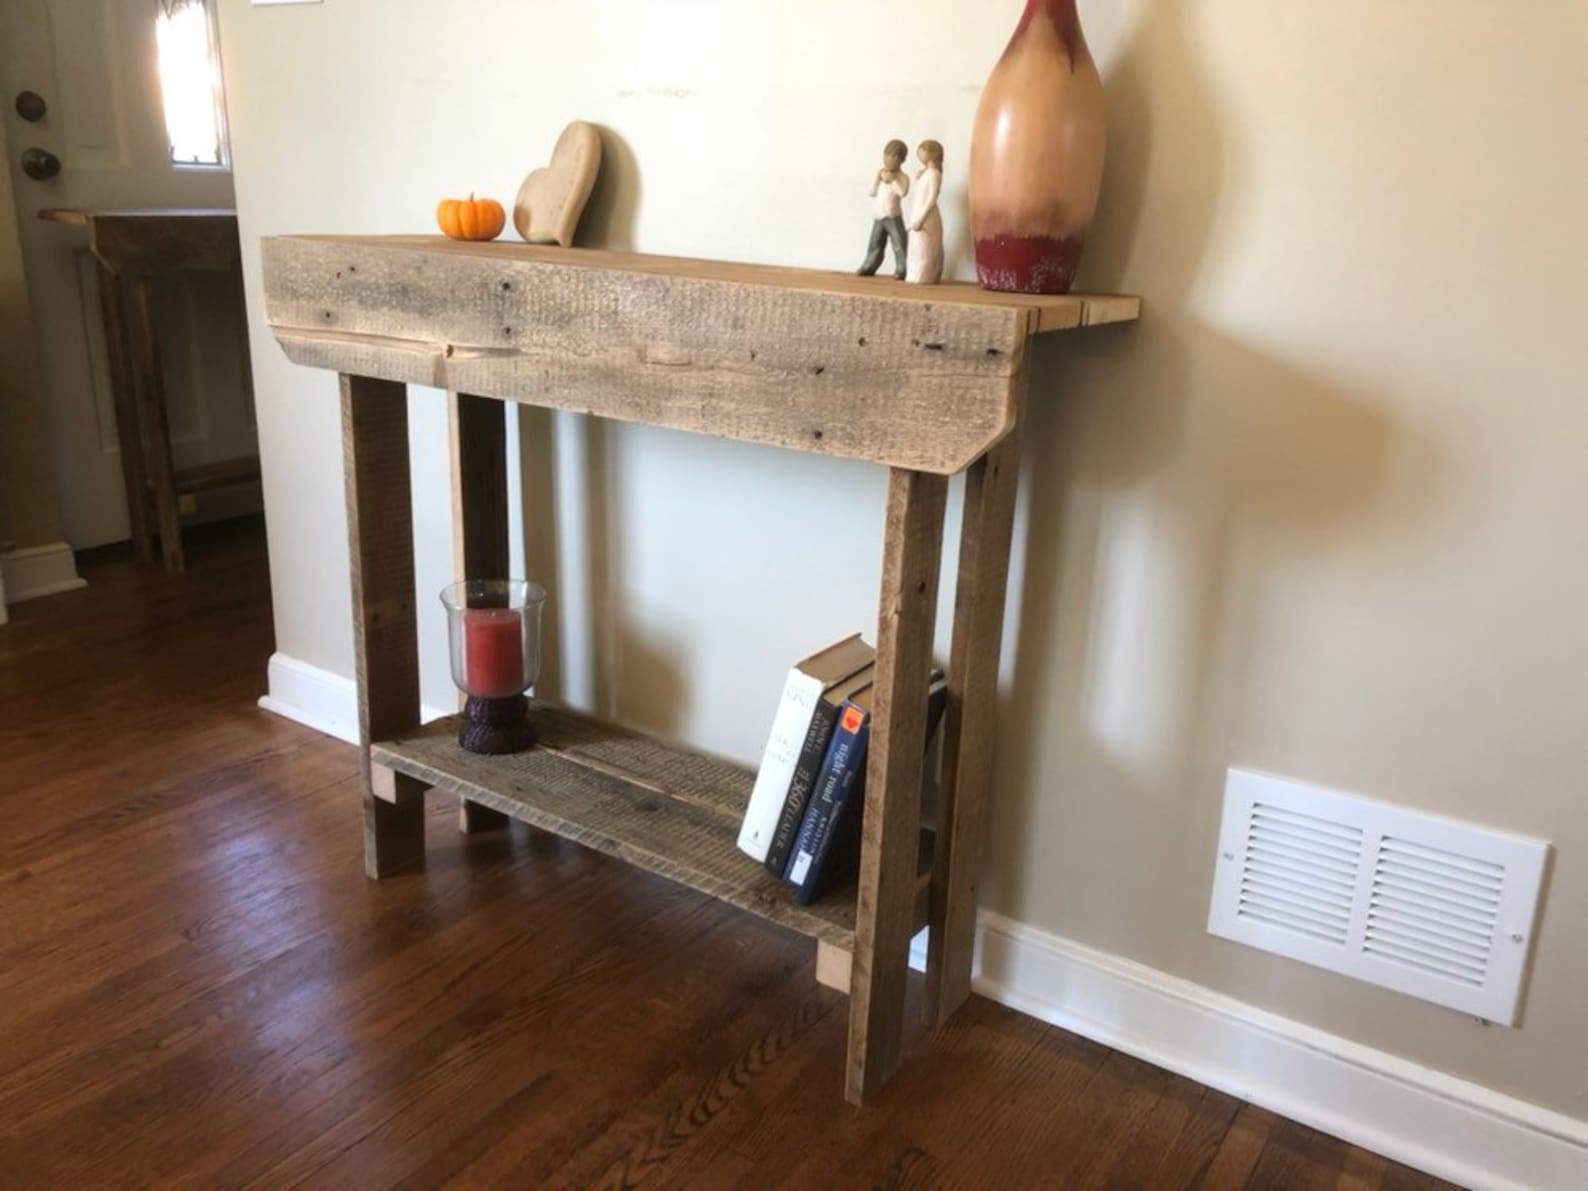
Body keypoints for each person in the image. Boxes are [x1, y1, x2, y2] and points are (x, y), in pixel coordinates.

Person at [858, 139, 910, 279]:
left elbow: (902, 193)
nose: (889, 159)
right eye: (887, 155)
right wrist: (877, 178)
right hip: (879, 215)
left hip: (893, 216)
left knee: (899, 244)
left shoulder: (902, 177)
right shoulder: (880, 173)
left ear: (901, 160)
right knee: (875, 243)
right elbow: (872, 192)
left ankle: (902, 269)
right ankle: (869, 266)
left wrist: (893, 180)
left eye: (894, 157)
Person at [907, 140, 945, 284]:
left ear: (932, 154)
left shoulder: (934, 174)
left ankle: (925, 276)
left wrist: (921, 219)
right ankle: (915, 275)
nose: (919, 154)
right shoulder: (926, 173)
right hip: (917, 214)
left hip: (926, 217)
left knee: (925, 250)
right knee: (917, 248)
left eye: (922, 150)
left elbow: (931, 199)